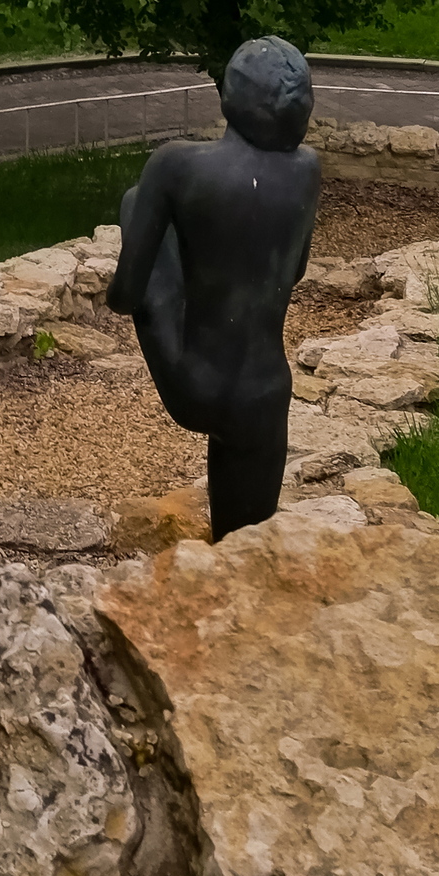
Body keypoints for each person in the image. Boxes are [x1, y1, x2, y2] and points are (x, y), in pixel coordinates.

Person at [105, 35, 321, 540]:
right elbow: (294, 271)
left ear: (229, 96)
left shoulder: (175, 165)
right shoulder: (308, 169)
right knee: (244, 548)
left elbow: (125, 296)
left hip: (194, 384)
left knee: (138, 200)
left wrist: (175, 263)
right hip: (267, 393)